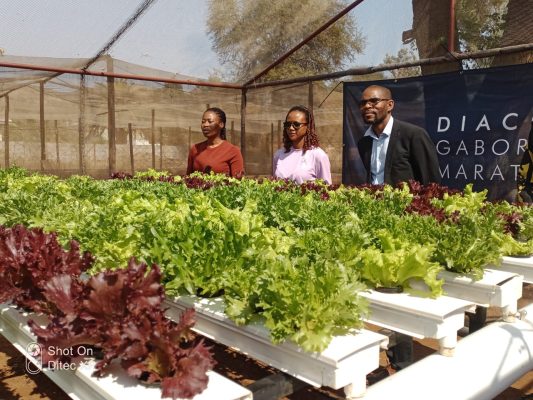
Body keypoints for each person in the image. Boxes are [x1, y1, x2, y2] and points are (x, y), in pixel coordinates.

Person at [357, 85, 440, 186]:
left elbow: (431, 182)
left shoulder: (414, 135)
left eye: (374, 101)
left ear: (390, 105)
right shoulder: (364, 142)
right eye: (363, 103)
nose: (367, 106)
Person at [273, 105, 332, 184]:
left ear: (307, 126)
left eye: (296, 124)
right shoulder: (279, 155)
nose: (291, 128)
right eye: (288, 124)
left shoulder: (318, 156)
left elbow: (326, 187)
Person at [187, 107, 244, 177]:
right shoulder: (195, 149)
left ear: (221, 124)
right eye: (203, 122)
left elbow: (238, 181)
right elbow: (188, 178)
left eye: (210, 121)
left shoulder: (233, 151)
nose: (205, 125)